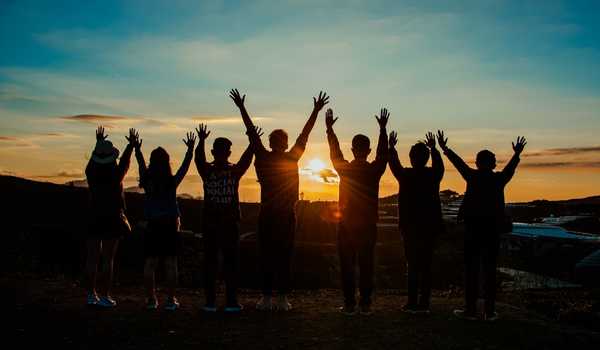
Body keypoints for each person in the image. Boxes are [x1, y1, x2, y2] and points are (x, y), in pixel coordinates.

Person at [229, 88, 329, 311]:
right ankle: (282, 299)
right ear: (284, 143)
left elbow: (252, 133)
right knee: (284, 255)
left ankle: (266, 298)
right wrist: (315, 110)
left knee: (265, 255)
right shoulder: (292, 158)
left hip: (267, 213)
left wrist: (242, 108)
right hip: (285, 215)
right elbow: (305, 134)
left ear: (271, 142)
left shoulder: (263, 157)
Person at [438, 131, 527, 321]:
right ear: (491, 163)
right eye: (494, 160)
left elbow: (459, 163)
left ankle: (470, 310)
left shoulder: (473, 176)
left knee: (471, 269)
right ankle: (489, 311)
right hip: (492, 230)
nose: (495, 162)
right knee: (489, 270)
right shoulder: (498, 179)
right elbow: (510, 169)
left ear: (478, 163)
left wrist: (445, 149)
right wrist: (516, 154)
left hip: (472, 229)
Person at [326, 107, 389, 315]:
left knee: (347, 266)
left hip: (346, 225)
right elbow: (383, 155)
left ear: (352, 149)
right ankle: (366, 304)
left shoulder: (345, 169)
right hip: (368, 224)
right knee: (366, 264)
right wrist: (382, 130)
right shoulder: (374, 170)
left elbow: (335, 152)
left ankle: (350, 304)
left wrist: (329, 130)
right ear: (368, 150)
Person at [194, 123, 257, 313]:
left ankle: (210, 302)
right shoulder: (234, 171)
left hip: (211, 223)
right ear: (229, 152)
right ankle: (230, 301)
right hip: (229, 224)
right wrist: (252, 142)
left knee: (211, 262)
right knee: (230, 262)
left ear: (213, 152)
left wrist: (201, 141)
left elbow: (198, 159)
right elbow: (247, 159)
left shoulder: (207, 171)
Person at [134, 130, 196, 311]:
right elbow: (184, 168)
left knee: (150, 263)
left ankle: (151, 300)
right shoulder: (171, 181)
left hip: (152, 224)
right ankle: (170, 300)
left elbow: (140, 163)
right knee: (170, 263)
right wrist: (190, 150)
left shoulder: (147, 181)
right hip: (170, 224)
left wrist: (137, 149)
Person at [388, 131, 444, 314]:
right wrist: (434, 149)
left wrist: (392, 147)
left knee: (412, 265)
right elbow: (440, 166)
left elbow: (393, 164)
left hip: (410, 228)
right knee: (426, 266)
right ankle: (424, 304)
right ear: (427, 158)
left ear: (411, 158)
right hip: (430, 227)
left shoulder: (406, 175)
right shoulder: (433, 175)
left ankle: (412, 303)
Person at [84, 126, 136, 308]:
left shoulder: (90, 172)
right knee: (108, 258)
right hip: (112, 217)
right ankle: (105, 295)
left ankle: (91, 294)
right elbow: (126, 162)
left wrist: (98, 143)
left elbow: (93, 162)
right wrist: (131, 145)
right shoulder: (116, 174)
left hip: (93, 214)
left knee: (92, 258)